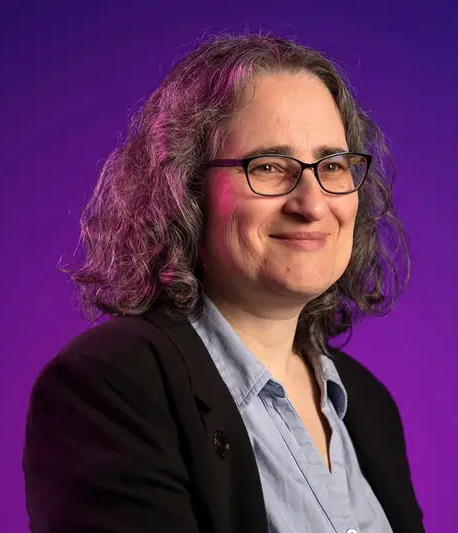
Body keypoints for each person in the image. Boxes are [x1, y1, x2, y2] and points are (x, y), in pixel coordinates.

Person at [23, 32, 426, 533]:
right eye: (270, 167)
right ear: (187, 188)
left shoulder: (368, 406)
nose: (312, 203)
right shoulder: (111, 388)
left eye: (332, 166)